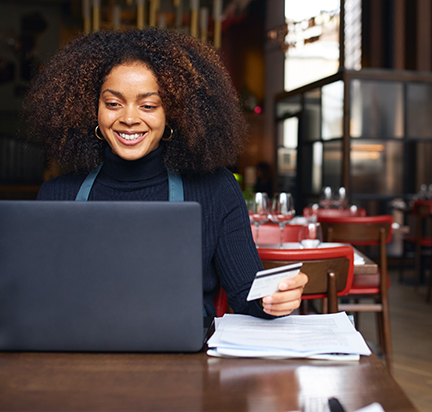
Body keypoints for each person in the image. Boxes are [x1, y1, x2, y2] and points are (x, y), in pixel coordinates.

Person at [25, 28, 307, 319]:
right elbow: (36, 299)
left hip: (183, 359)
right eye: (113, 103)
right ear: (90, 108)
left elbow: (247, 298)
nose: (129, 119)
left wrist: (275, 299)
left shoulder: (216, 190)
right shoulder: (58, 194)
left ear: (173, 112)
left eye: (148, 105)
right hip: (80, 353)